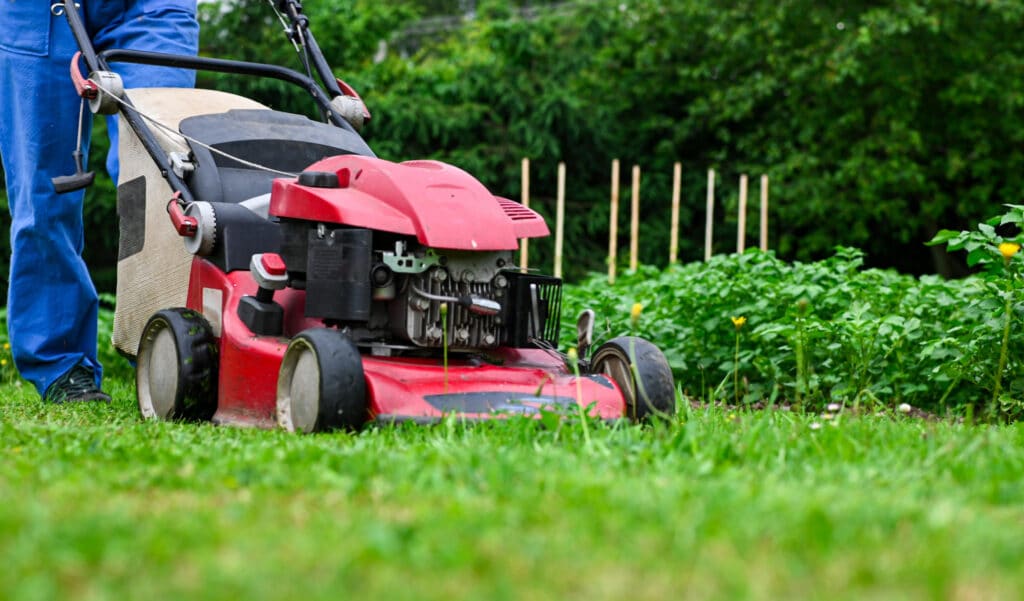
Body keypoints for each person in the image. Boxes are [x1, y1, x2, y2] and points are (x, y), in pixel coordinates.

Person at [0, 1, 199, 403]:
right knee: (45, 192)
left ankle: (167, 351)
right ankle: (62, 366)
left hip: (149, 8)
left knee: (164, 174)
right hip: (37, 12)